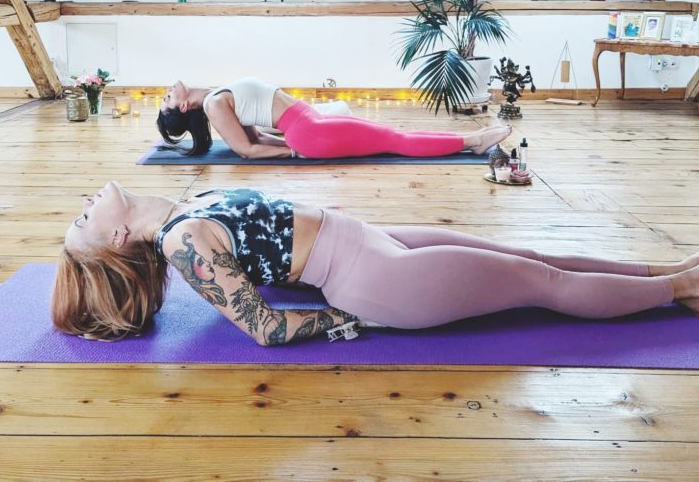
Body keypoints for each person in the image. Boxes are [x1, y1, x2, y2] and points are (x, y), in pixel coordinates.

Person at [52, 182, 699, 345]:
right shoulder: (181, 241)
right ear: (116, 236)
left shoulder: (182, 209)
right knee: (544, 283)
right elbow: (265, 328)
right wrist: (351, 320)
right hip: (378, 279)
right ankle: (682, 287)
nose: (84, 205)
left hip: (370, 238)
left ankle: (661, 271)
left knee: (532, 255)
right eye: (83, 220)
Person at [156, 76, 511, 159]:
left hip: (309, 123)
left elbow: (256, 136)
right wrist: (293, 151)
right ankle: (473, 141)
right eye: (168, 99)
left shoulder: (216, 95)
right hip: (308, 133)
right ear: (184, 107)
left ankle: (471, 141)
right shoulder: (214, 105)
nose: (168, 91)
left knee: (392, 134)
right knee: (395, 140)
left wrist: (282, 144)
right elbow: (245, 150)